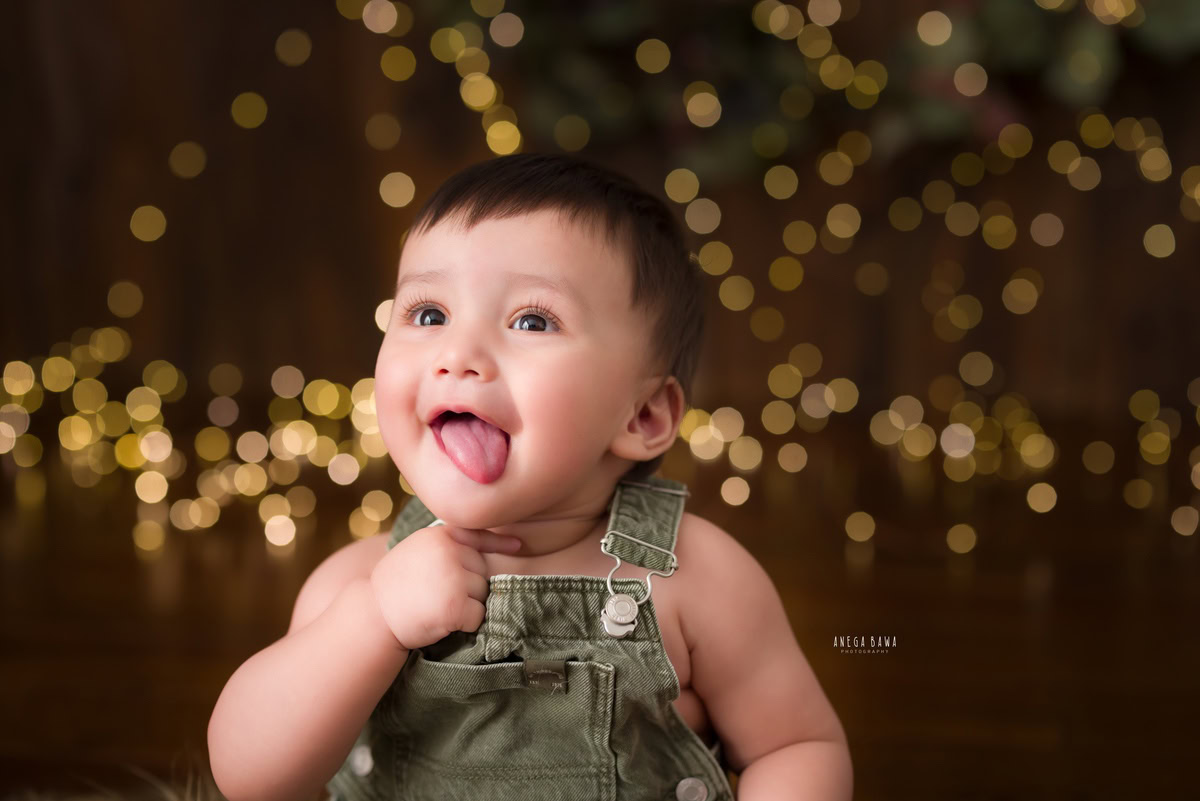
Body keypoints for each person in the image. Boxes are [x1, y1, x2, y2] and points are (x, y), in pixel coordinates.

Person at [207, 152, 852, 801]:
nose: (457, 355)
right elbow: (251, 777)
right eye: (429, 314)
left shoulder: (698, 579)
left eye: (531, 321)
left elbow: (795, 745)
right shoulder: (357, 584)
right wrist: (374, 619)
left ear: (645, 413)